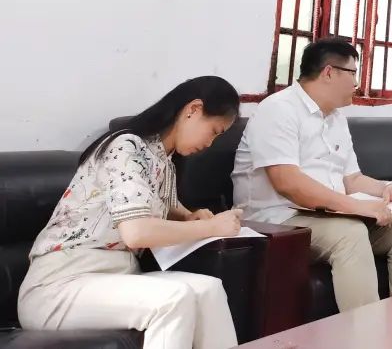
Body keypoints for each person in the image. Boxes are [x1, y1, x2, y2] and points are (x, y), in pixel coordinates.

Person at [18, 76, 243, 349]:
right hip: (59, 286)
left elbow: (158, 204)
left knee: (209, 290)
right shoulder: (127, 147)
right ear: (193, 109)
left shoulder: (162, 161)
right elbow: (137, 232)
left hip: (110, 280)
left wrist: (189, 216)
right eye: (214, 131)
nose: (210, 143)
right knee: (174, 299)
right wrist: (210, 227)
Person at [232, 37, 392, 311]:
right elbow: (288, 183)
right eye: (353, 73)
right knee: (349, 233)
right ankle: (366, 333)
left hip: (328, 215)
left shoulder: (336, 118)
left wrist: (387, 188)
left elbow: (352, 179)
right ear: (328, 72)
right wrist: (357, 207)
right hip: (277, 220)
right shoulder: (278, 109)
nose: (356, 83)